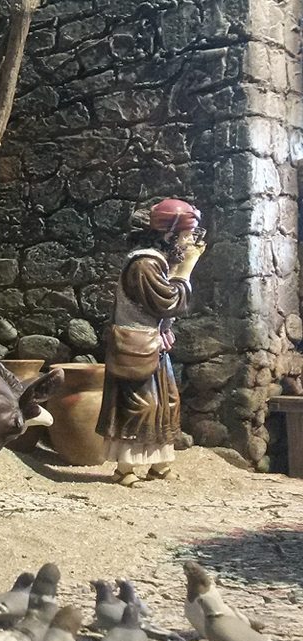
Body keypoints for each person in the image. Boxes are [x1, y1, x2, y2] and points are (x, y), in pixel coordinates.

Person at [95, 198, 207, 487]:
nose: (189, 242)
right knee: (140, 405)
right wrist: (188, 267)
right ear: (169, 235)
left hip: (153, 345)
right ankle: (125, 467)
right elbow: (167, 302)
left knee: (166, 403)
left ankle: (160, 463)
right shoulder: (144, 264)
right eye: (186, 236)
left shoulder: (157, 261)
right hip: (137, 347)